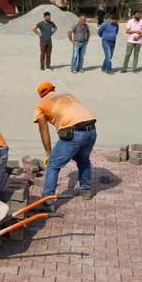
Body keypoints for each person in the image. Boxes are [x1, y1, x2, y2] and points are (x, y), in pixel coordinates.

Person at [33, 82, 97, 211]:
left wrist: (48, 152)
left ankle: (48, 202)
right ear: (54, 89)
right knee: (83, 159)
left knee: (53, 165)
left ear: (40, 95)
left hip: (74, 133)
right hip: (91, 131)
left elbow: (43, 129)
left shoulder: (41, 105)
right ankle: (86, 190)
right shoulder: (68, 95)